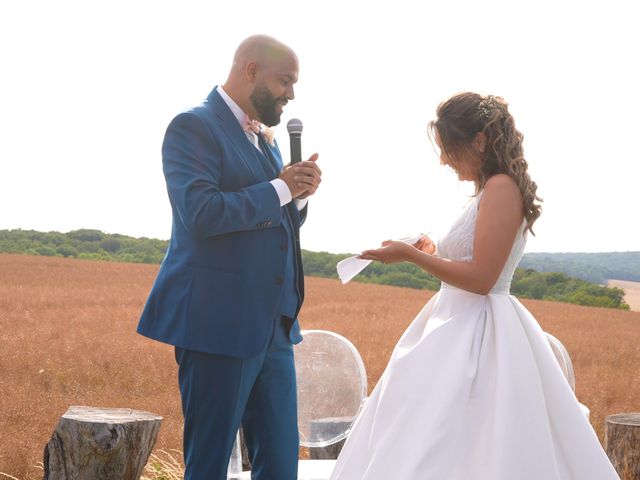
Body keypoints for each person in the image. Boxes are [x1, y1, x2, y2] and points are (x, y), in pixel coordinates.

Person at [329, 93, 620, 479]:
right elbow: (474, 260)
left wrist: (412, 257)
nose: (444, 160)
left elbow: (483, 279)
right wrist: (432, 250)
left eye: (449, 148)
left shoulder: (502, 188)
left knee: (470, 434)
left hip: (481, 333)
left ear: (479, 142)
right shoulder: (490, 189)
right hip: (455, 322)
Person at [137, 35, 322, 480]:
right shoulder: (193, 126)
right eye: (286, 81)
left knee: (280, 468)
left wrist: (297, 198)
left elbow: (274, 226)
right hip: (217, 325)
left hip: (275, 329)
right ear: (251, 71)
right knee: (209, 466)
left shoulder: (267, 140)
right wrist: (281, 189)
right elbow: (201, 214)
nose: (292, 95)